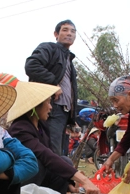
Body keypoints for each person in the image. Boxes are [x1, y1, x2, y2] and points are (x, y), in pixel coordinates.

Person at [0, 73, 101, 194]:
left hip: (39, 179)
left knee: (64, 160)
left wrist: (69, 184)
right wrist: (84, 180)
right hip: (19, 183)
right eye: (48, 102)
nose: (51, 107)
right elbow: (45, 156)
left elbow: (53, 156)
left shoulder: (42, 126)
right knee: (37, 163)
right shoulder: (20, 128)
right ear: (36, 105)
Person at [25, 19, 78, 156]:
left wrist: (72, 118)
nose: (69, 34)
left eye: (73, 31)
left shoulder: (69, 59)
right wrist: (53, 83)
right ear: (56, 34)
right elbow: (32, 65)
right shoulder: (49, 48)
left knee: (58, 152)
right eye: (65, 30)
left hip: (63, 112)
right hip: (50, 107)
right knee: (52, 153)